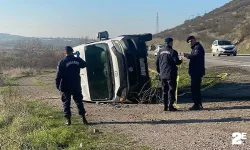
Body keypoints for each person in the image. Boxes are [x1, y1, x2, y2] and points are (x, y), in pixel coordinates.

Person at [56, 46, 88, 125]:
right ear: (72, 51)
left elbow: (58, 75)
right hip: (76, 84)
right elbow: (84, 64)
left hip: (65, 85)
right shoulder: (77, 59)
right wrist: (77, 57)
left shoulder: (62, 61)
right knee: (79, 101)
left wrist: (57, 85)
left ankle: (68, 120)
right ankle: (83, 119)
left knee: (66, 102)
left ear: (65, 52)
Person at [156, 37, 182, 111]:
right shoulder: (173, 51)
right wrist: (181, 61)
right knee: (171, 89)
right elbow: (176, 61)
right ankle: (170, 105)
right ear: (171, 42)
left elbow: (157, 63)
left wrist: (159, 71)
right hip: (171, 73)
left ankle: (165, 106)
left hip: (162, 74)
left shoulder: (160, 51)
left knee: (164, 90)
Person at [183, 36, 205, 110]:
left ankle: (197, 104)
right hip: (194, 71)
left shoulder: (198, 47)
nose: (190, 43)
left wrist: (187, 55)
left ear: (194, 40)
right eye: (189, 42)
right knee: (195, 88)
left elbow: (195, 56)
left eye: (191, 41)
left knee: (195, 88)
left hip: (197, 72)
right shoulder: (195, 48)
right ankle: (198, 103)